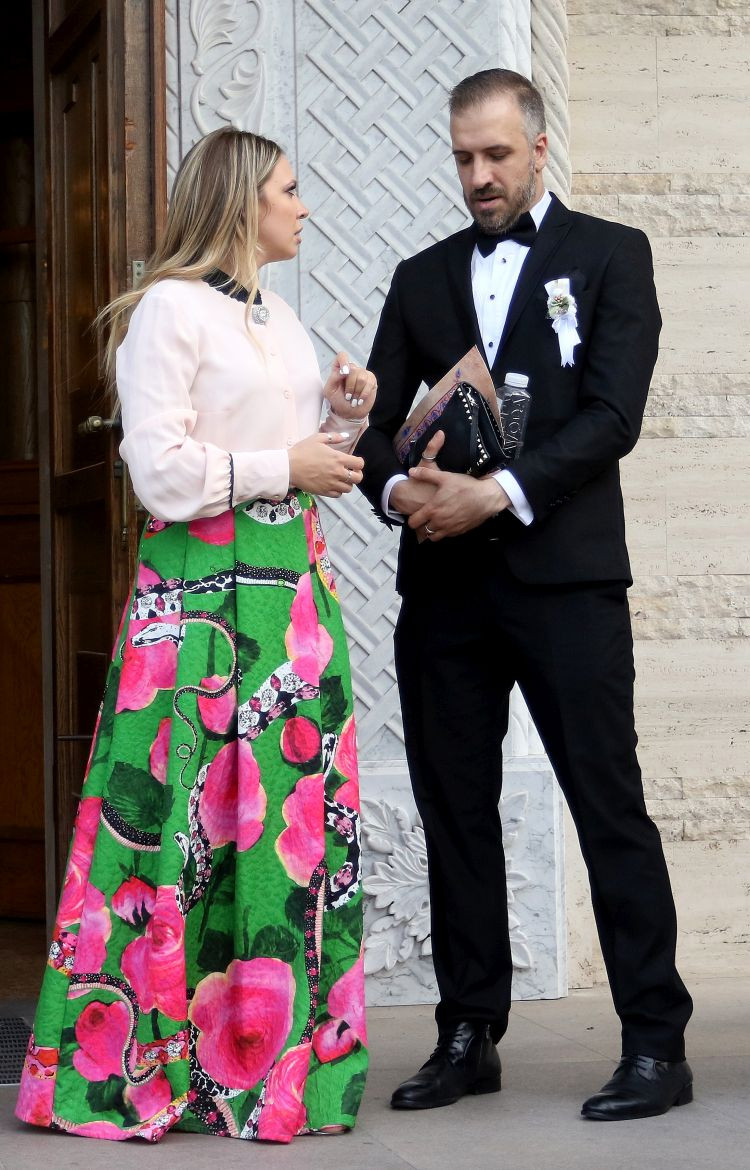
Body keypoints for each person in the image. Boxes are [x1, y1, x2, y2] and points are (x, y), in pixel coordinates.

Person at [16, 127, 374, 1143]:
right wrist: (288, 463)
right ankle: (140, 1071)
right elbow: (162, 472)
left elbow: (287, 456)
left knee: (276, 824)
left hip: (288, 599)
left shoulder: (281, 317)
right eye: (289, 190)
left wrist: (342, 423)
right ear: (242, 200)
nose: (304, 207)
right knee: (176, 817)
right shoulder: (168, 311)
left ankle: (262, 1075)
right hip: (200, 599)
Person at [356, 68, 693, 1121]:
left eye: (497, 154)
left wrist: (493, 494)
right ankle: (468, 1033)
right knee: (454, 809)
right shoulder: (419, 277)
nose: (479, 175)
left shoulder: (612, 254)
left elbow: (612, 416)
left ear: (539, 147)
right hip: (445, 592)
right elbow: (373, 428)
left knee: (607, 803)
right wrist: (403, 490)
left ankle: (655, 1042)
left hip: (566, 582)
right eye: (464, 157)